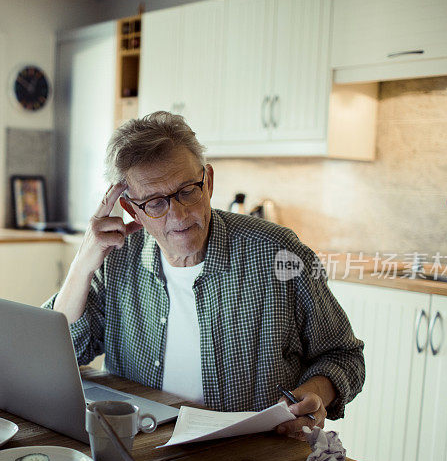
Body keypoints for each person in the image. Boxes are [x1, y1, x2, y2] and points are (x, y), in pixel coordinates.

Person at [43, 111, 364, 438]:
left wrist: (314, 395)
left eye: (187, 191)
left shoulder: (278, 253)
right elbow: (54, 355)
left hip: (254, 454)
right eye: (155, 203)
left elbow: (343, 355)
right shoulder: (117, 258)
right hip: (140, 450)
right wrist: (81, 265)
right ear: (131, 210)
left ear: (207, 181)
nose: (178, 215)